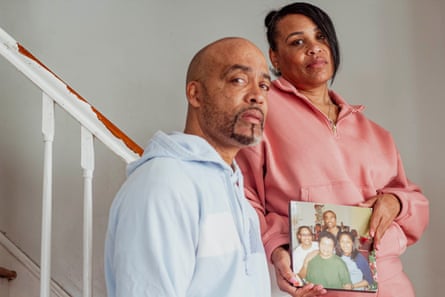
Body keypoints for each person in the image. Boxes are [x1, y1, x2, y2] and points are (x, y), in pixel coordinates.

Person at [236, 2, 429, 297]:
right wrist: (275, 248)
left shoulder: (374, 132)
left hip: (392, 283)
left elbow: (416, 203)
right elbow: (243, 195)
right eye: (298, 41)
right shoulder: (261, 110)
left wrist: (395, 202)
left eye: (321, 37)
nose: (314, 48)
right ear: (274, 56)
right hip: (316, 285)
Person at [104, 37, 273, 297]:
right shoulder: (163, 183)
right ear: (196, 94)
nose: (257, 96)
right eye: (238, 80)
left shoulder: (234, 189)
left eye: (264, 86)